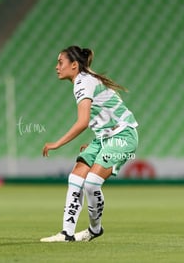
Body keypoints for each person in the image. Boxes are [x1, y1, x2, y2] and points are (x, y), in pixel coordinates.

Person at [40, 45, 138, 242]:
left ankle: (95, 229)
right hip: (104, 138)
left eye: (60, 62)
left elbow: (82, 122)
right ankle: (66, 233)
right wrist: (99, 140)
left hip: (123, 136)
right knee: (76, 177)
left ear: (74, 65)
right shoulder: (85, 77)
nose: (56, 67)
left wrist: (57, 144)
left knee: (92, 183)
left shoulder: (83, 83)